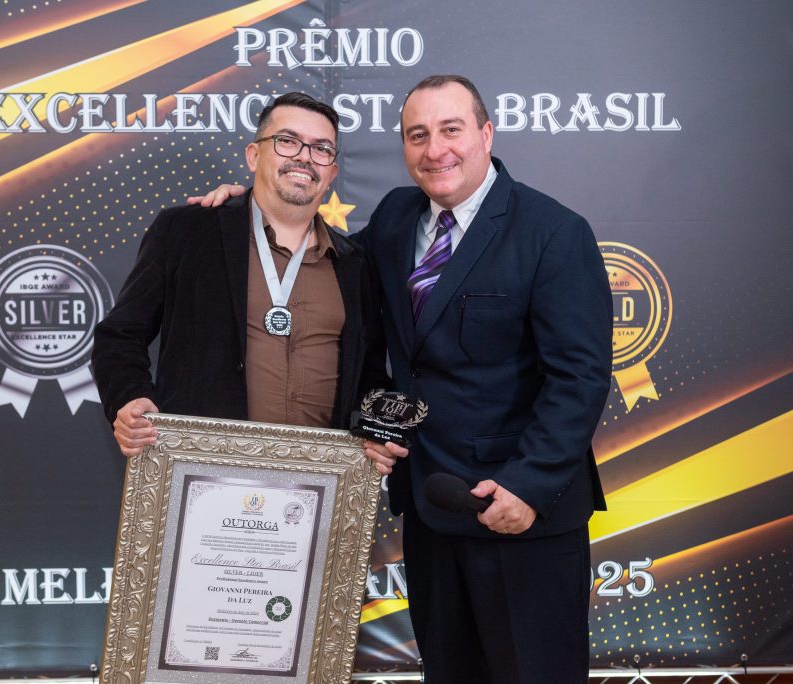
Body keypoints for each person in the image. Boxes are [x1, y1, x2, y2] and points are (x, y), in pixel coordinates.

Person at [191, 75, 612, 683]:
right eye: (418, 135)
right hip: (431, 507)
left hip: (519, 512)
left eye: (451, 130)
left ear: (486, 134)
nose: (435, 149)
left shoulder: (553, 232)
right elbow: (324, 262)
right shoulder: (396, 216)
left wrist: (528, 485)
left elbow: (579, 377)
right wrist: (254, 208)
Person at [91, 92, 389, 457]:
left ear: (332, 173)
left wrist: (377, 431)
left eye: (321, 148)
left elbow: (369, 375)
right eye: (287, 141)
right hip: (201, 466)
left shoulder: (354, 263)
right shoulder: (187, 232)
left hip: (317, 477)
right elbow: (119, 336)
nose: (304, 157)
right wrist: (129, 398)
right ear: (253, 155)